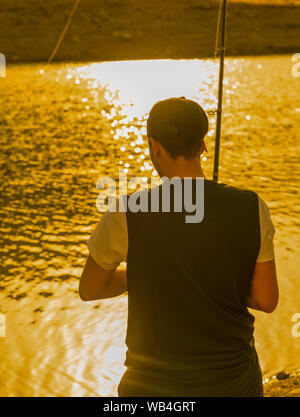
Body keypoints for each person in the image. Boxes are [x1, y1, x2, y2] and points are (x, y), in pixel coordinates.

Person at [79, 97, 279, 397]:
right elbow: (266, 299)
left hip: (153, 388)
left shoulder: (126, 213)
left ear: (155, 147)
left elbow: (91, 289)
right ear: (202, 146)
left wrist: (146, 275)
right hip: (234, 382)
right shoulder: (252, 207)